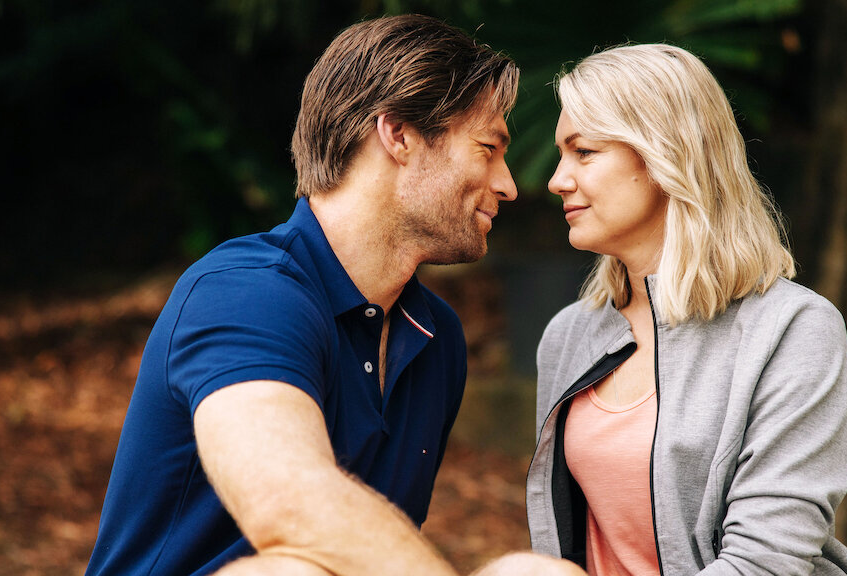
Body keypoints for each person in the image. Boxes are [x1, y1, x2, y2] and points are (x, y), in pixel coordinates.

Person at [85, 14, 583, 576]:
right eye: (488, 148)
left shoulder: (435, 336)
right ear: (398, 134)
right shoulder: (245, 292)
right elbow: (290, 506)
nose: (508, 185)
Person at [527, 43, 847, 575]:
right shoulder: (569, 335)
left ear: (664, 155)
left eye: (583, 152)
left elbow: (766, 562)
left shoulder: (793, 331)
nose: (557, 179)